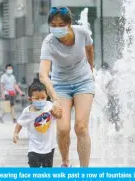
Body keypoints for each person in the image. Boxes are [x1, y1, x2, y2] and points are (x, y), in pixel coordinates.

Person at [38, 7, 95, 167]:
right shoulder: (49, 42)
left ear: (69, 23)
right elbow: (43, 74)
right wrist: (54, 98)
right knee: (63, 129)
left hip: (83, 82)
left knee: (81, 127)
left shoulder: (82, 33)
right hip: (60, 86)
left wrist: (91, 68)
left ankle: (85, 171)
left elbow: (90, 49)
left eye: (60, 24)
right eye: (53, 25)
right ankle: (65, 162)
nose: (56, 28)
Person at [13, 80, 62, 167]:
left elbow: (59, 117)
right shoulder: (27, 112)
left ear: (46, 96)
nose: (40, 100)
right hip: (34, 149)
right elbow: (20, 123)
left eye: (43, 97)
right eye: (37, 98)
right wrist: (16, 133)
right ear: (30, 99)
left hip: (49, 147)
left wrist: (56, 113)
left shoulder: (49, 106)